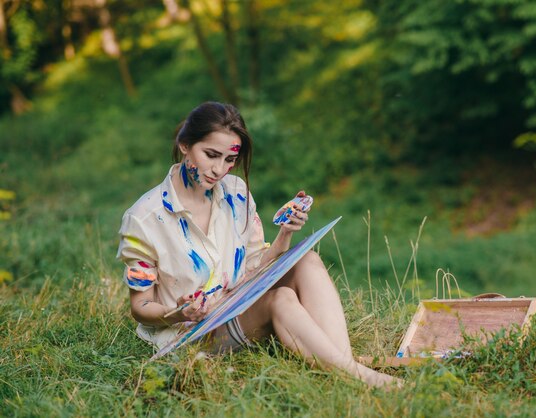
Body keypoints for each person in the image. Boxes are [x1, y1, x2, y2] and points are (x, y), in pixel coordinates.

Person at [117, 101, 399, 388]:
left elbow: (254, 266)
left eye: (229, 160)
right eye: (211, 155)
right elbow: (140, 306)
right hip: (191, 331)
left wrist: (286, 233)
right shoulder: (143, 219)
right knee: (282, 299)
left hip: (238, 304)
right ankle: (367, 379)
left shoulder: (237, 193)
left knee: (308, 260)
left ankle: (344, 363)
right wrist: (177, 312)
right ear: (185, 145)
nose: (219, 170)